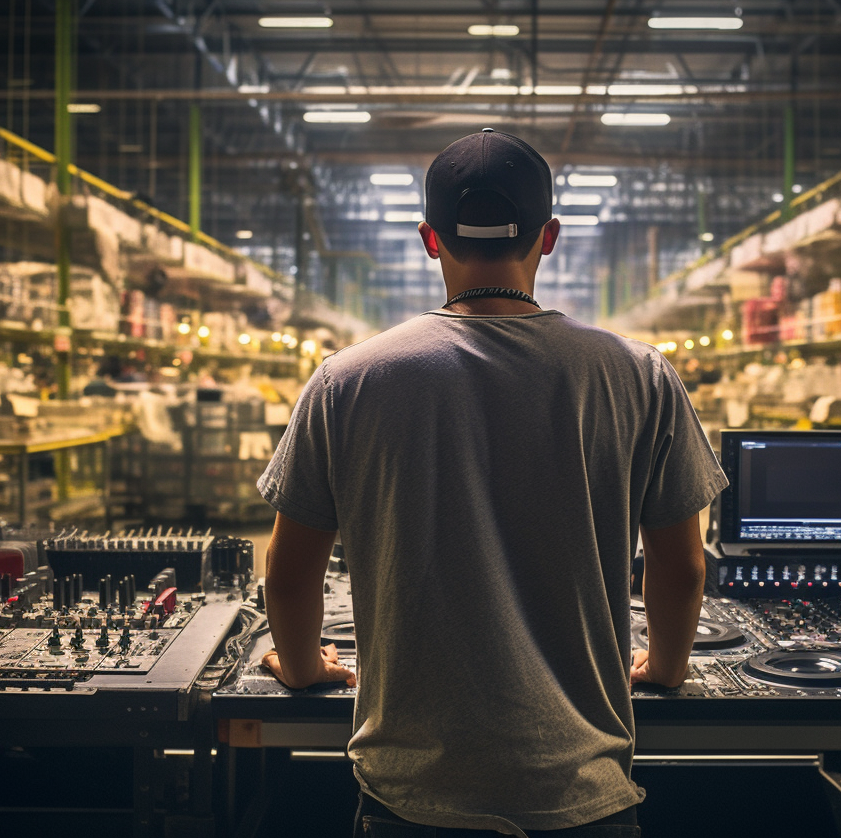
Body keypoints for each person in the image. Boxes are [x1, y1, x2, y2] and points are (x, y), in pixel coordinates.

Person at [257, 129, 727, 837]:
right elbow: (682, 566)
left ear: (428, 238)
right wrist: (663, 669)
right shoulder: (639, 376)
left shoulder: (346, 380)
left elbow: (290, 574)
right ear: (550, 237)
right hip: (583, 792)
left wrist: (300, 667)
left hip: (411, 798)